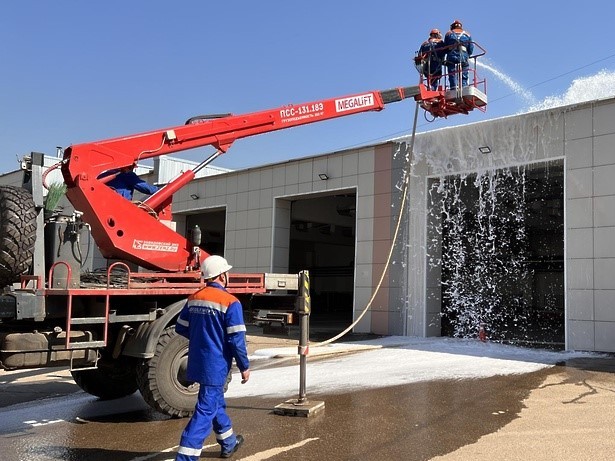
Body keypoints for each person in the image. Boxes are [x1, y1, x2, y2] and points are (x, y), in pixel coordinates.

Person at [175, 255, 250, 460]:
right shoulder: (231, 302)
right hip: (216, 365)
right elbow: (236, 341)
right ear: (222, 276)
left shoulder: (194, 298)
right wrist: (244, 366)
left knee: (215, 402)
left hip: (198, 362)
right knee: (205, 411)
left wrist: (202, 337)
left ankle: (229, 443)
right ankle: (185, 458)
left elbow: (181, 327)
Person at [444, 19, 474, 89]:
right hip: (463, 56)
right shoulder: (467, 34)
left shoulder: (448, 34)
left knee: (451, 71)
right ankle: (464, 86)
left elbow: (445, 47)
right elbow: (471, 47)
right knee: (464, 69)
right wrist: (468, 55)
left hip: (452, 56)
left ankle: (453, 86)